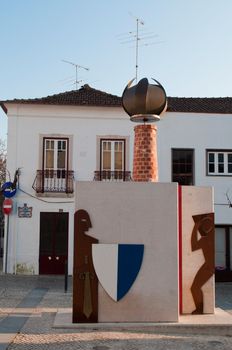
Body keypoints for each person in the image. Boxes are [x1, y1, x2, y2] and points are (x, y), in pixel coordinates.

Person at [190, 213, 214, 314]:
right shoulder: (205, 239)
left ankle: (200, 309)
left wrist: (196, 226)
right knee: (194, 288)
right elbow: (194, 246)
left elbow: (194, 246)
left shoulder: (209, 238)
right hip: (207, 265)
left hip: (209, 266)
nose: (206, 226)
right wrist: (195, 227)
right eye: (204, 225)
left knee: (195, 288)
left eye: (209, 224)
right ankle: (199, 308)